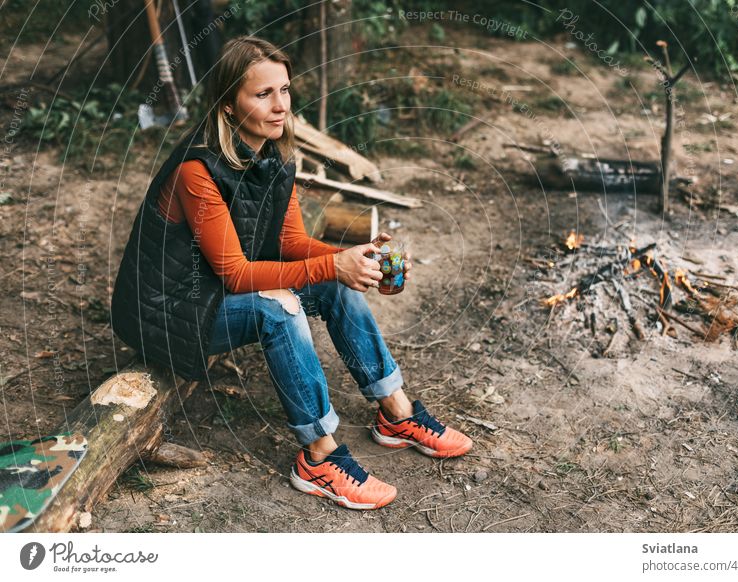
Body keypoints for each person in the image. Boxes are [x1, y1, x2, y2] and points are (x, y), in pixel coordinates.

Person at [111, 36, 472, 511]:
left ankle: (396, 413)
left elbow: (291, 244)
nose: (280, 106)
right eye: (263, 95)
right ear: (226, 105)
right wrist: (332, 265)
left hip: (216, 294)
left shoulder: (275, 152)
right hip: (168, 311)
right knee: (279, 308)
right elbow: (237, 274)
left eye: (284, 90)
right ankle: (320, 459)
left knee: (331, 283)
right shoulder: (196, 169)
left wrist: (353, 259)